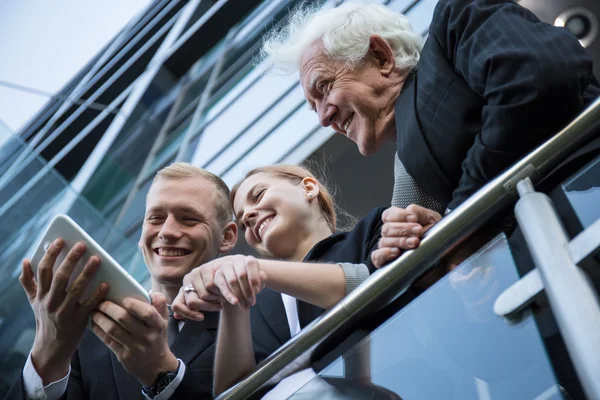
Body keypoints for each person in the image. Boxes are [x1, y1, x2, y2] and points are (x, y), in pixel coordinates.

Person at [261, 0, 600, 261]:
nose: (323, 117)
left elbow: (539, 78)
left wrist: (461, 220)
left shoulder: (456, 17)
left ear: (381, 57)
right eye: (313, 106)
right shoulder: (407, 187)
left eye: (324, 87)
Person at [172, 164, 438, 397]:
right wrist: (232, 298)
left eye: (259, 195)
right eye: (243, 222)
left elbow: (369, 289)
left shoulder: (374, 228)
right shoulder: (256, 304)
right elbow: (232, 391)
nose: (249, 216)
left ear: (309, 188)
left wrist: (247, 267)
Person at [5, 163, 242, 400]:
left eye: (189, 219)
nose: (166, 231)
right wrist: (48, 350)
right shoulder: (86, 335)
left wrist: (161, 373)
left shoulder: (249, 324)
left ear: (227, 236)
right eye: (155, 218)